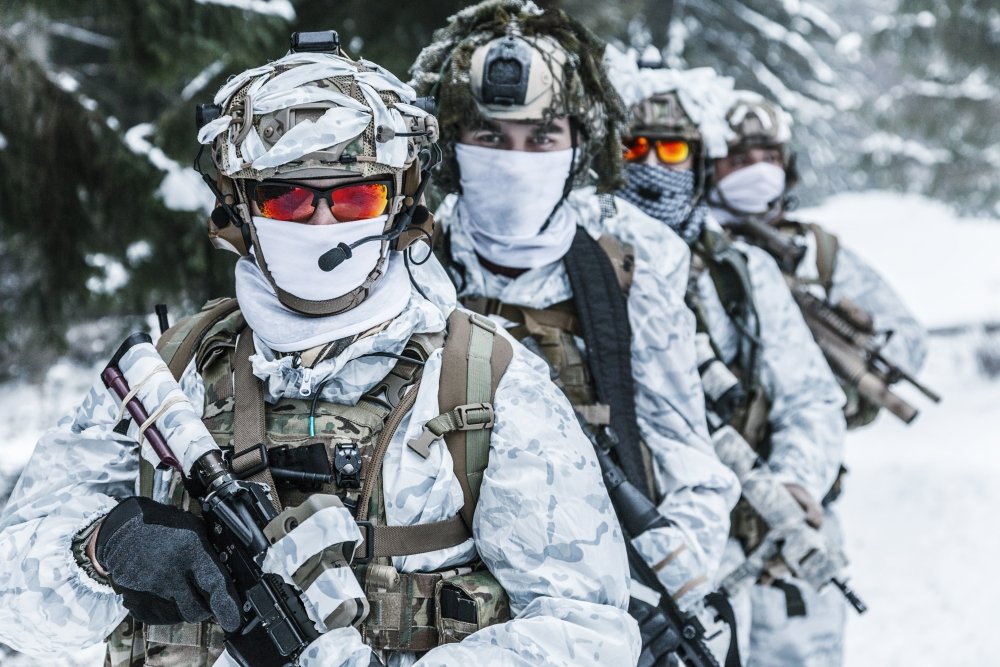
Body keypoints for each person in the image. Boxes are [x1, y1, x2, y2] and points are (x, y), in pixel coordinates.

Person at [0, 37, 640, 667]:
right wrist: (98, 552)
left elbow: (589, 632)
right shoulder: (172, 370)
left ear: (399, 200)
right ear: (240, 207)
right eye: (289, 197)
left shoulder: (484, 383)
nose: (323, 224)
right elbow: (14, 607)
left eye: (357, 195)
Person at [411, 3, 741, 662]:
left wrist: (648, 591)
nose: (516, 158)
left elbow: (692, 468)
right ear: (450, 146)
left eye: (542, 136)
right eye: (489, 136)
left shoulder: (629, 267)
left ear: (579, 147)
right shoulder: (410, 264)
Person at [607, 48, 849, 667]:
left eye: (672, 151)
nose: (654, 168)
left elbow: (810, 397)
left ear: (699, 161)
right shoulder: (571, 265)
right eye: (636, 150)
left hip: (739, 550)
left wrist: (793, 480)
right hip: (610, 558)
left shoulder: (739, 271)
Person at [708, 92, 928, 428]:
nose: (758, 171)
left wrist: (854, 348)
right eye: (739, 161)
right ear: (709, 167)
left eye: (769, 158)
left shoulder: (816, 250)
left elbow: (908, 339)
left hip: (809, 453)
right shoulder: (686, 245)